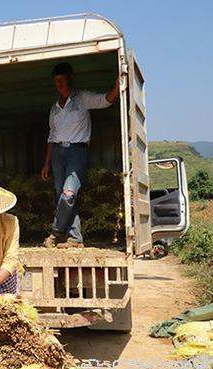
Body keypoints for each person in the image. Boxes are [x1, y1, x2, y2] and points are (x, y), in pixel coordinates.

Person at [41, 62, 120, 248]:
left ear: (70, 78)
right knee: (65, 196)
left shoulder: (82, 98)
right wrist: (47, 163)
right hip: (58, 154)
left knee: (68, 194)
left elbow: (106, 100)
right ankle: (75, 238)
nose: (59, 84)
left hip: (77, 151)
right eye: (56, 81)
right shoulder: (54, 109)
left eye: (62, 79)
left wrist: (117, 87)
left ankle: (55, 233)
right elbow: (51, 137)